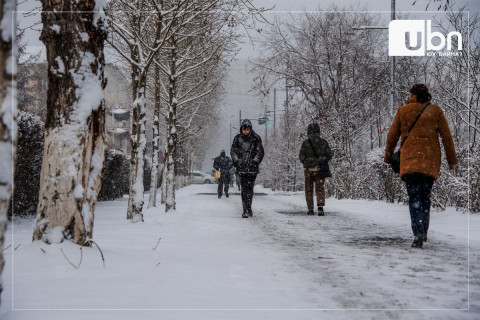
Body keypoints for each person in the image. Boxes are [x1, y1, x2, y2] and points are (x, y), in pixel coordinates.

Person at [384, 84, 457, 248]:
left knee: (414, 198)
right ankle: (423, 230)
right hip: (429, 163)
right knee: (425, 197)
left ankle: (417, 233)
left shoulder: (403, 111)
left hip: (410, 162)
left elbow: (392, 136)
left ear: (412, 94)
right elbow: (447, 137)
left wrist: (388, 157)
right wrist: (451, 160)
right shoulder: (435, 111)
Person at [231, 119, 264, 218]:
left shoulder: (256, 138)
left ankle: (249, 207)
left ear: (250, 128)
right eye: (244, 129)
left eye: (247, 129)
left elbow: (260, 152)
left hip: (252, 169)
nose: (246, 131)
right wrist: (237, 161)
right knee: (244, 189)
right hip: (241, 168)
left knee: (250, 189)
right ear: (241, 129)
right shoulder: (237, 139)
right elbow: (233, 151)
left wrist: (255, 161)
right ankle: (245, 209)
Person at [299, 123, 332, 216]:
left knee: (308, 189)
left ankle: (310, 209)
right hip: (320, 170)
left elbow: (301, 156)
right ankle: (320, 207)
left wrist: (306, 162)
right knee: (320, 188)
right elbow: (329, 155)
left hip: (308, 170)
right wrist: (321, 160)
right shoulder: (324, 142)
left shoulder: (305, 143)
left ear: (308, 132)